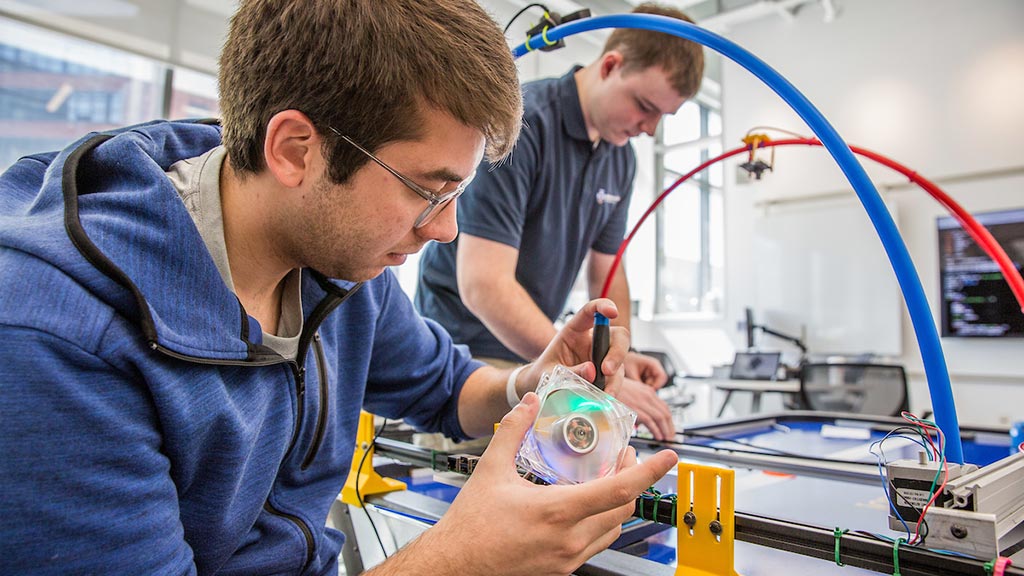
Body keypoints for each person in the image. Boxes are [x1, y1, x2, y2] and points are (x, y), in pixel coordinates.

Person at [0, 1, 678, 574]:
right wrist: (461, 557)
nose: (445, 231)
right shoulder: (54, 340)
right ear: (296, 150)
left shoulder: (342, 262)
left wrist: (528, 383)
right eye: (429, 190)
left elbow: (445, 389)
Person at [416, 3, 705, 441]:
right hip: (468, 361)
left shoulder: (619, 158)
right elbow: (483, 285)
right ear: (611, 65)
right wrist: (592, 372)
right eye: (646, 107)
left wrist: (616, 362)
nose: (650, 128)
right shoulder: (525, 123)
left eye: (664, 117)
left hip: (541, 359)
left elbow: (608, 273)